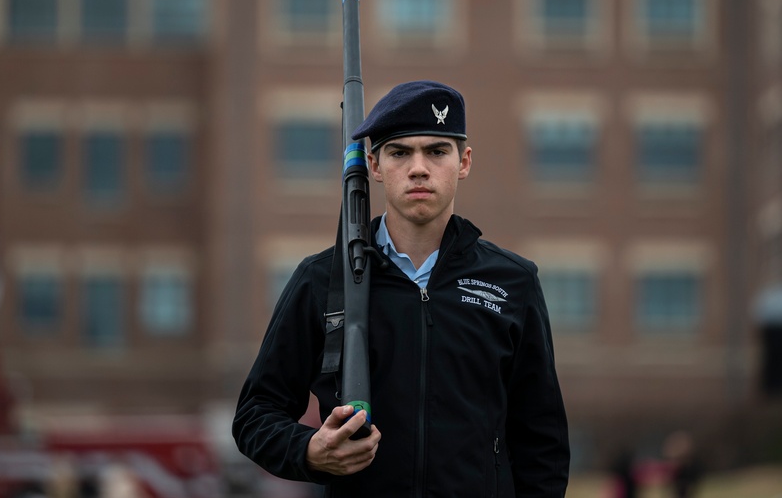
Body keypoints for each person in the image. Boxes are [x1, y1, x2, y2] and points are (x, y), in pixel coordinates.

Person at [232, 80, 571, 497]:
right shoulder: (322, 279)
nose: (418, 168)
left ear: (463, 161)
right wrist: (308, 450)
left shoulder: (513, 281)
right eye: (399, 152)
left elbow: (543, 442)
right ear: (374, 166)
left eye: (436, 151)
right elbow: (254, 414)